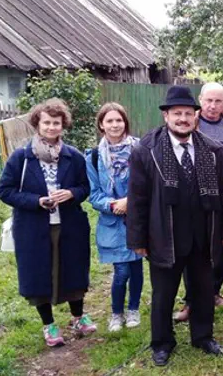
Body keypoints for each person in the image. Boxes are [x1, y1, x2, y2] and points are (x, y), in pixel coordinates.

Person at [127, 86, 223, 366]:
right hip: (164, 235)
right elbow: (137, 198)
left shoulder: (213, 150)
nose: (183, 119)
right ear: (166, 116)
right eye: (177, 113)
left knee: (203, 289)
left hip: (203, 234)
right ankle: (162, 343)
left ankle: (203, 336)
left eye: (188, 113)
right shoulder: (147, 150)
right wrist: (138, 239)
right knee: (163, 293)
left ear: (195, 116)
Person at [0, 98, 95, 348]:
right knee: (38, 274)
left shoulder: (73, 156)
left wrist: (71, 193)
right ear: (37, 124)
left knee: (73, 269)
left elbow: (86, 187)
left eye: (56, 123)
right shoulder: (22, 158)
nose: (52, 127)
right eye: (47, 123)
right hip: (33, 227)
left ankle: (78, 317)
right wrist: (36, 200)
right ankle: (49, 324)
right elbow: (5, 191)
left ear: (63, 125)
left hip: (69, 224)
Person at [173, 82, 223, 322]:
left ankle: (214, 291)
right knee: (192, 247)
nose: (212, 106)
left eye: (218, 101)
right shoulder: (189, 124)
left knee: (222, 246)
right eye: (208, 100)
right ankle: (190, 301)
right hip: (194, 198)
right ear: (200, 100)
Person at [86, 103, 143, 332]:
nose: (115, 125)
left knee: (136, 269)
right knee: (122, 271)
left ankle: (134, 309)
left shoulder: (139, 149)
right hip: (112, 223)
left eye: (118, 120)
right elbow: (93, 194)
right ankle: (116, 313)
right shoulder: (94, 156)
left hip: (137, 220)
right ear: (101, 125)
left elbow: (149, 184)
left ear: (125, 122)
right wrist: (113, 205)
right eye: (109, 121)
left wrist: (131, 201)